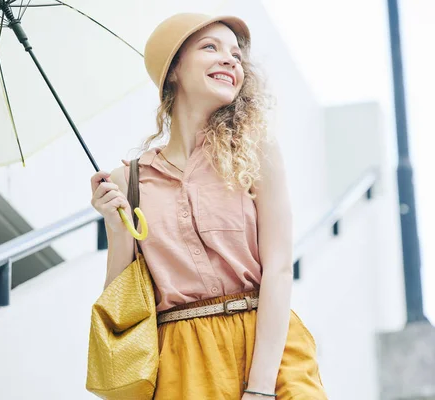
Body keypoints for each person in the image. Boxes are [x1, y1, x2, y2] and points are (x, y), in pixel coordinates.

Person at [90, 13, 327, 400]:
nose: (231, 60)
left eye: (236, 54)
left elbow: (280, 269)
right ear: (173, 71)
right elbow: (122, 304)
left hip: (269, 351)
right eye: (210, 47)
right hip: (183, 362)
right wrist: (116, 227)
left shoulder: (255, 154)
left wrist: (262, 387)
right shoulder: (128, 181)